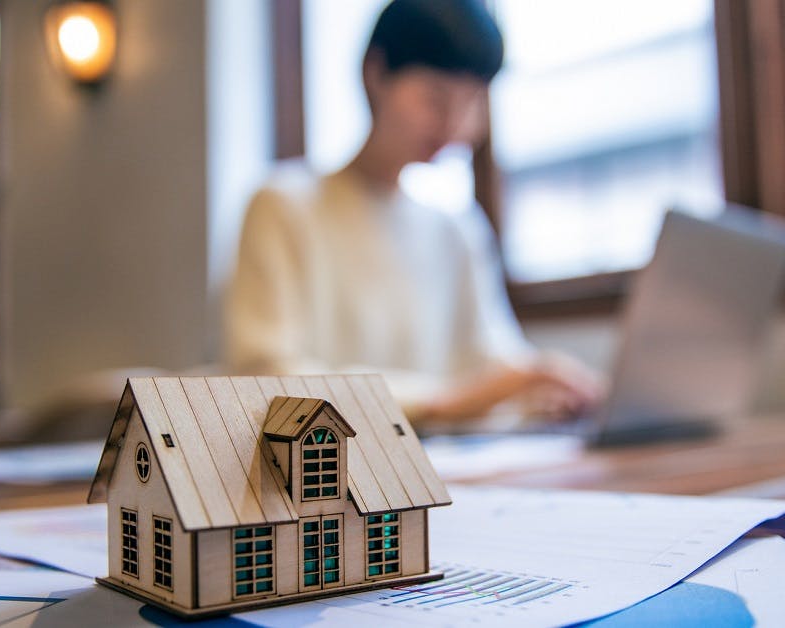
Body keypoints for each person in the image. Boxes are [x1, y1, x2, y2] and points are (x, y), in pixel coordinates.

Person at [224, 0, 602, 424]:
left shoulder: (457, 229)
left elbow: (495, 360)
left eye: (474, 102)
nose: (454, 124)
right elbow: (267, 376)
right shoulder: (284, 205)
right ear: (375, 73)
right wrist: (445, 401)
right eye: (435, 99)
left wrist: (541, 389)